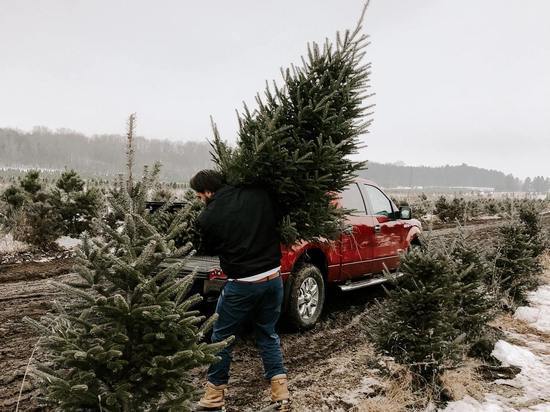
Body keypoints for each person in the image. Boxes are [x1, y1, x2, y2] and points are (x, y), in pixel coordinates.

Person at [190, 169, 290, 412]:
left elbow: (209, 247)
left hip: (242, 285)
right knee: (267, 334)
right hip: (273, 278)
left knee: (221, 339)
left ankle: (214, 399)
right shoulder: (259, 193)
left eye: (198, 195)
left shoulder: (208, 217)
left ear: (207, 191)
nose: (198, 199)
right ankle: (281, 397)